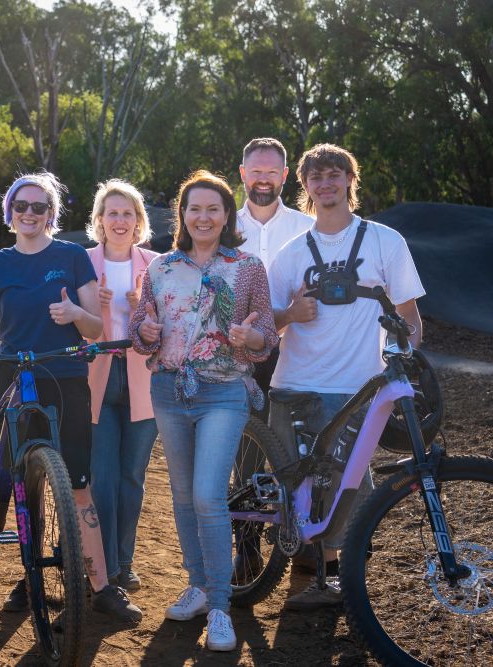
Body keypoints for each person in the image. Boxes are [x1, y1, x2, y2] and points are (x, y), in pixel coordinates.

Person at [0, 172, 143, 623]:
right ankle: (30, 575)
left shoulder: (72, 256)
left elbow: (96, 328)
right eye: (21, 206)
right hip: (13, 377)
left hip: (65, 375)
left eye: (40, 207)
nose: (30, 214)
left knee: (78, 486)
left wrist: (74, 312)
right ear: (10, 212)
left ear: (51, 214)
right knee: (26, 484)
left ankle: (102, 586)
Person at [267, 143, 424, 610]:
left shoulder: (385, 241)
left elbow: (409, 316)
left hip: (357, 386)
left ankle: (338, 579)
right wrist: (290, 313)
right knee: (296, 486)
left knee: (349, 484)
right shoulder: (292, 252)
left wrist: (402, 360)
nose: (326, 183)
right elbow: (266, 322)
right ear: (305, 186)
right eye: (316, 177)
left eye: (335, 174)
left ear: (351, 180)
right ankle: (314, 574)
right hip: (294, 383)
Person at [129, 170, 278, 652]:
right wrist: (144, 332)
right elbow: (141, 327)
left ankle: (219, 606)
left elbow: (267, 334)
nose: (204, 217)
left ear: (228, 215)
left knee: (209, 496)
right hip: (169, 391)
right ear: (183, 215)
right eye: (195, 208)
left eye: (214, 208)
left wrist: (251, 337)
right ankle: (197, 586)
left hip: (224, 391)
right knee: (182, 495)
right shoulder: (160, 268)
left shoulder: (248, 267)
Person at [231, 137, 313, 583]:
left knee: (299, 451)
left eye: (271, 172)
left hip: (297, 355)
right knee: (244, 453)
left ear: (284, 176)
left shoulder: (308, 227)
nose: (263, 180)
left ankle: (306, 550)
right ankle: (246, 552)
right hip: (239, 356)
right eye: (255, 172)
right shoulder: (224, 224)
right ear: (243, 174)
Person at [84, 179, 159, 591]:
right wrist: (90, 308)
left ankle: (124, 563)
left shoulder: (157, 264)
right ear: (99, 220)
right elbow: (70, 324)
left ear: (138, 221)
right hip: (96, 379)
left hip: (142, 380)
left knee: (132, 476)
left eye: (127, 213)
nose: (119, 220)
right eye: (111, 213)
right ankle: (103, 565)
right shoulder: (82, 262)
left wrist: (143, 311)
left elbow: (172, 323)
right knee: (102, 477)